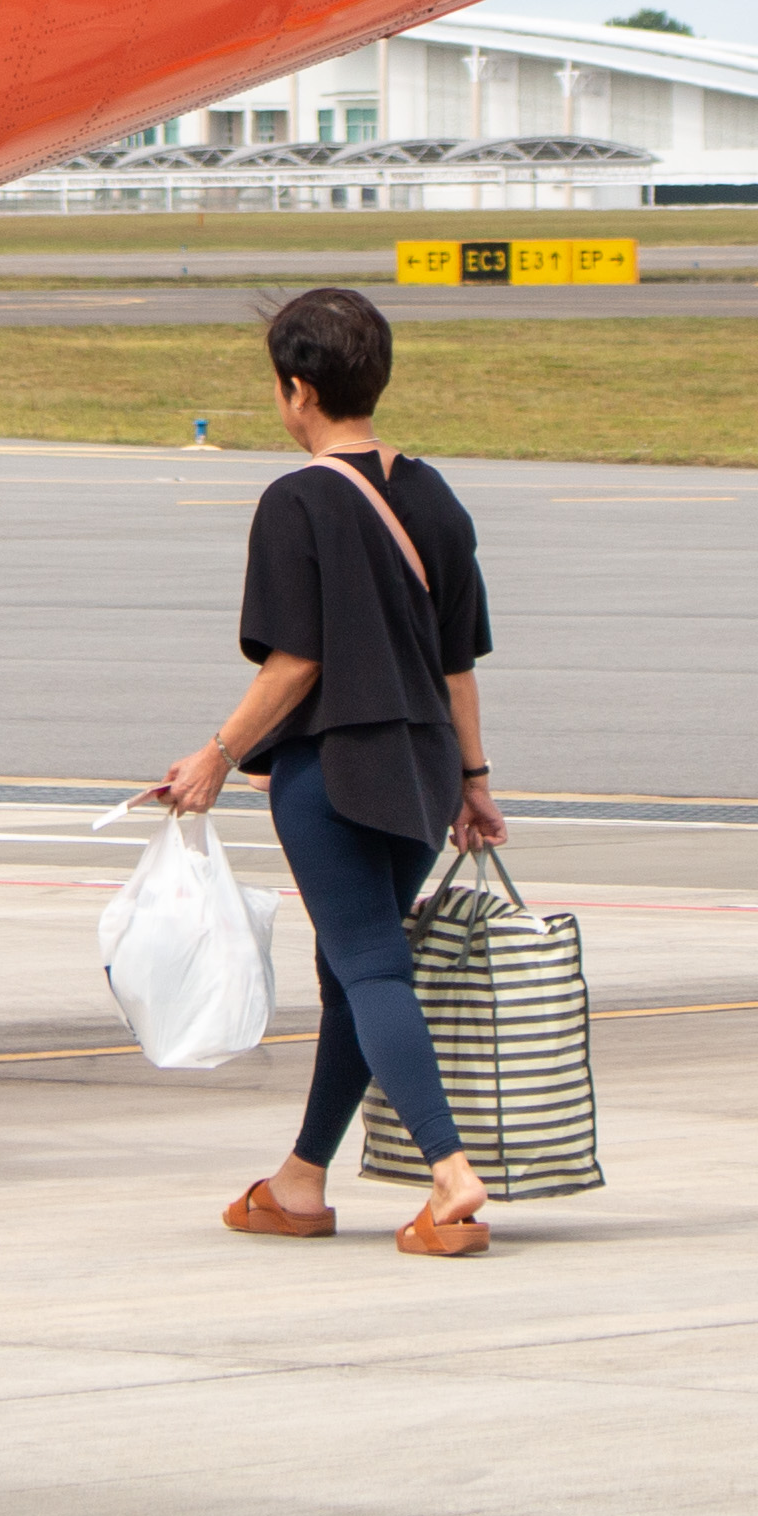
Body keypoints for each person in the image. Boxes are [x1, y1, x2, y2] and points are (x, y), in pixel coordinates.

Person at [147, 287, 507, 1259]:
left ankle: (450, 1175)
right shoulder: (432, 494)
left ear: (296, 390)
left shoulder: (296, 501)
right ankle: (301, 1183)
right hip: (424, 769)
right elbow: (456, 665)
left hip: (338, 770)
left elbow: (295, 663)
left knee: (372, 965)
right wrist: (474, 780)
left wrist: (216, 755)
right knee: (352, 971)